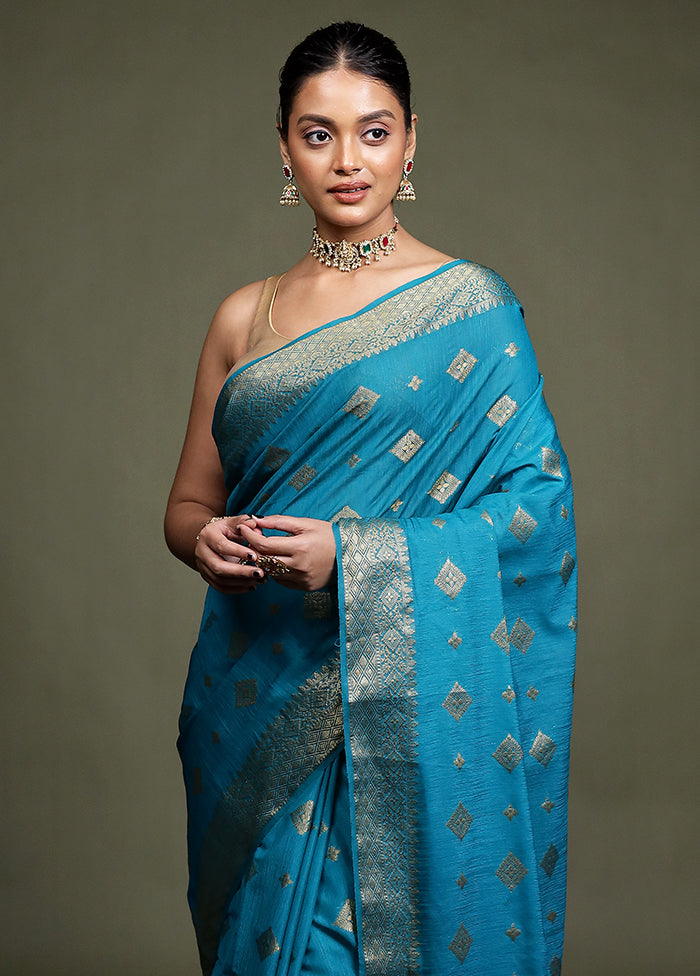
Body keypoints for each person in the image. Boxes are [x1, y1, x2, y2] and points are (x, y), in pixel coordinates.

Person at [165, 21, 577, 976]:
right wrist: (204, 540)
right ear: (284, 147)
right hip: (258, 698)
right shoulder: (244, 316)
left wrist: (354, 559)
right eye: (318, 134)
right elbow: (186, 504)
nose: (348, 160)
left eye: (374, 131)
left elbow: (539, 514)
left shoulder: (473, 306)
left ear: (410, 140)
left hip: (413, 712)